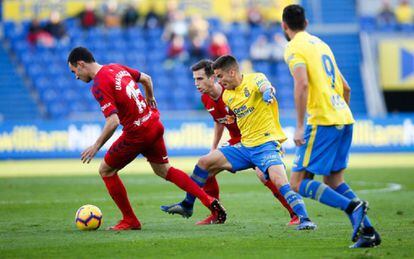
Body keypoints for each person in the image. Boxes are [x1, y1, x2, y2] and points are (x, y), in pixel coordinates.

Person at [67, 47, 226, 230]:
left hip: (137, 133)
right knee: (164, 170)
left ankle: (130, 220)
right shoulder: (115, 67)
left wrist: (95, 146)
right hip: (153, 123)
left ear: (81, 64)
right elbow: (147, 79)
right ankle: (209, 201)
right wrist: (150, 97)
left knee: (106, 170)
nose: (76, 77)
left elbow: (113, 121)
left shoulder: (99, 84)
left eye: (74, 72)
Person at [166, 55, 316, 230]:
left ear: (228, 73)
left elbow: (265, 86)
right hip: (244, 144)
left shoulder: (252, 80)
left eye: (219, 77)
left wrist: (268, 92)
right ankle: (193, 206)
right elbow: (221, 120)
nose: (218, 81)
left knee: (272, 178)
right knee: (205, 162)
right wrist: (215, 147)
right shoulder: (227, 96)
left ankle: (301, 217)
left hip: (264, 142)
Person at [281, 4, 381, 248]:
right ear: (306, 23)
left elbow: (302, 83)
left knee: (296, 183)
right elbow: (345, 86)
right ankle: (368, 232)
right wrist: (341, 114)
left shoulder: (294, 47)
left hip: (323, 120)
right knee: (334, 181)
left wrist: (298, 125)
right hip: (344, 117)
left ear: (284, 26)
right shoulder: (321, 45)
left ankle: (352, 206)